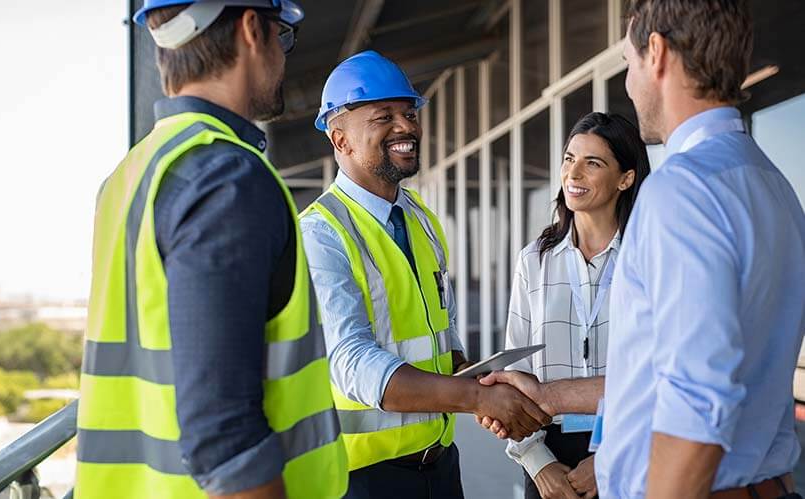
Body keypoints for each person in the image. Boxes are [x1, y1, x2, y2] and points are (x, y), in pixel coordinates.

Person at [479, 1, 805, 497]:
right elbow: (659, 374)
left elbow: (696, 400)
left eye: (628, 63)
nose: (630, 83)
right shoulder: (772, 184)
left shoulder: (682, 190)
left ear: (656, 53)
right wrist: (548, 396)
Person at [74, 2, 348, 498]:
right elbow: (225, 440)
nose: (283, 60)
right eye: (281, 37)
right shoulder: (225, 178)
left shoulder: (130, 174)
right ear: (250, 29)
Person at [300, 50, 552, 499]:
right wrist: (477, 400)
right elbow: (354, 365)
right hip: (363, 480)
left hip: (439, 466)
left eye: (409, 112)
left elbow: (441, 334)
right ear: (341, 140)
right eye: (384, 116)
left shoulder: (419, 219)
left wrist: (482, 379)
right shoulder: (321, 234)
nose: (407, 126)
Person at [502, 112, 650, 499]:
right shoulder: (534, 259)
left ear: (626, 178)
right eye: (569, 159)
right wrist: (539, 465)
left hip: (631, 449)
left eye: (592, 163)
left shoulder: (649, 258)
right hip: (549, 453)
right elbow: (515, 368)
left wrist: (610, 460)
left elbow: (661, 372)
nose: (573, 173)